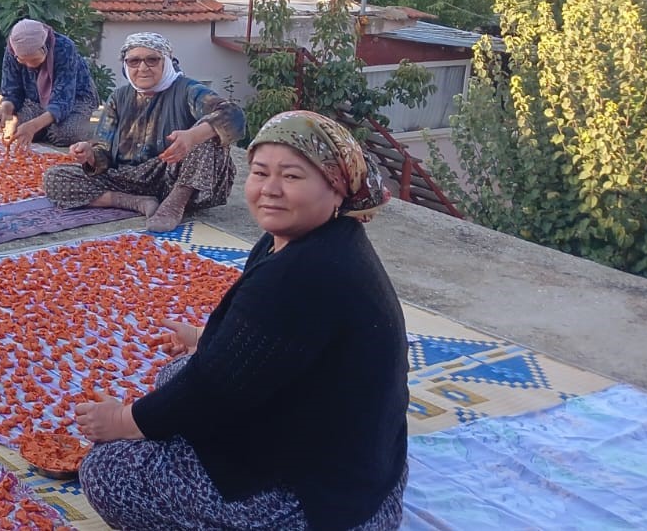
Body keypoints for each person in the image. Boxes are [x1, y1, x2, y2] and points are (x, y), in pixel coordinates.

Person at [73, 110, 408, 531]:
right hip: (364, 466)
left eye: (292, 177)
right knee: (176, 373)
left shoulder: (305, 274)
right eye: (260, 172)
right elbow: (272, 341)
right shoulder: (310, 240)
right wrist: (202, 338)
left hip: (323, 504)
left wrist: (124, 420)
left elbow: (213, 388)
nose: (270, 190)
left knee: (108, 471)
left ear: (336, 188)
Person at [43, 32, 244, 232]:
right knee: (54, 178)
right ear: (125, 65)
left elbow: (233, 114)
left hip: (173, 175)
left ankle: (175, 203)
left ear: (166, 62)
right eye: (134, 61)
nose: (142, 68)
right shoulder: (118, 97)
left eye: (152, 60)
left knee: (209, 135)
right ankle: (135, 202)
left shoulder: (187, 90)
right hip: (129, 179)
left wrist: (192, 136)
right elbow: (103, 150)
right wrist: (90, 155)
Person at [0, 17, 99, 149]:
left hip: (75, 98)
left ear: (45, 48)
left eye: (34, 59)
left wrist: (34, 125)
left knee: (65, 135)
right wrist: (5, 109)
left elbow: (63, 100)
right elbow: (12, 91)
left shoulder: (65, 48)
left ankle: (80, 125)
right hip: (35, 99)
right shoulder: (13, 50)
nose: (29, 66)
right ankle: (46, 123)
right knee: (21, 131)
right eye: (23, 61)